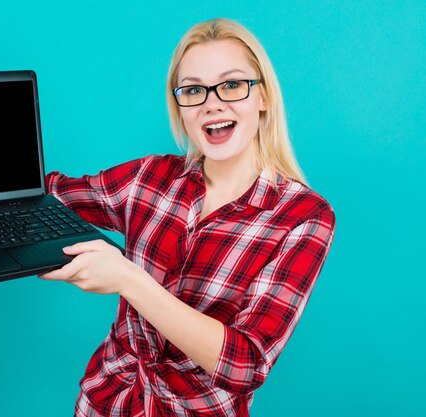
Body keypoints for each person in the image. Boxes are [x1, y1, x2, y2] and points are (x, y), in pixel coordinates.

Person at [40, 17, 336, 417]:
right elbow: (51, 194)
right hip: (106, 401)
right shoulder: (151, 178)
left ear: (262, 97)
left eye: (232, 85)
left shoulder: (303, 217)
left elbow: (246, 362)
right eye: (194, 90)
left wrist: (128, 279)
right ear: (180, 105)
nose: (212, 103)